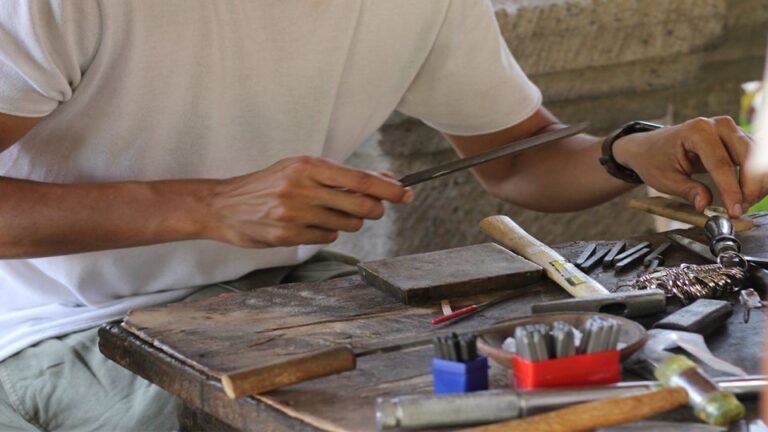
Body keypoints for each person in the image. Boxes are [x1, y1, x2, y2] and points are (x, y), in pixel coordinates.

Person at [0, 1, 764, 430]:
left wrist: (626, 153)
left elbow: (520, 156)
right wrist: (208, 204)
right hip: (62, 322)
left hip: (283, 297)